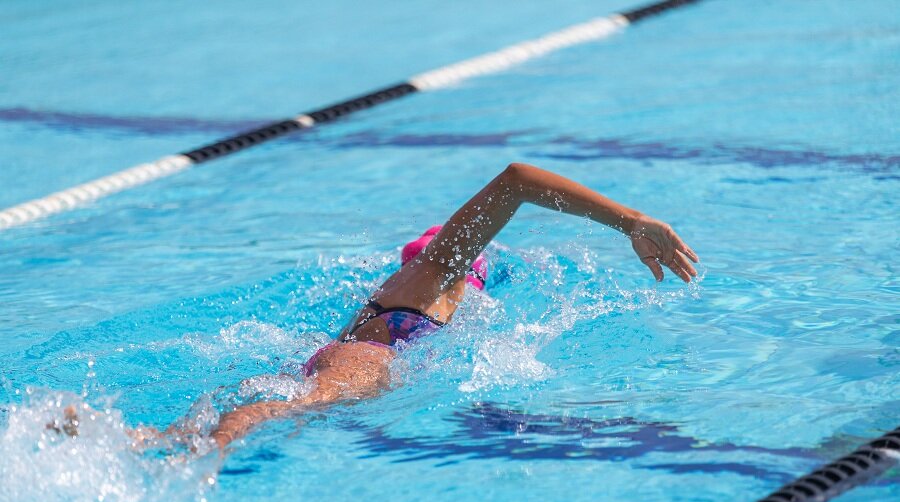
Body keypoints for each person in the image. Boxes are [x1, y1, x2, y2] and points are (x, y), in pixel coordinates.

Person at [50, 163, 698, 451]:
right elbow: (518, 181)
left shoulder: (425, 286)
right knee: (298, 408)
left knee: (210, 426)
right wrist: (630, 220)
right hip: (367, 359)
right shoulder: (440, 269)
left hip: (351, 353)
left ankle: (112, 435)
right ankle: (221, 440)